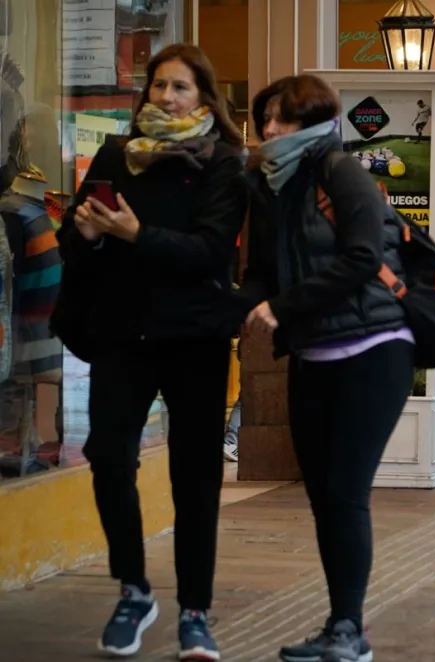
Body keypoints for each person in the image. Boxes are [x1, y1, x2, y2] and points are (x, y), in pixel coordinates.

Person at [56, 44, 248, 660]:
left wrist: (138, 235)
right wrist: (85, 232)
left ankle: (195, 610)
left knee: (196, 477)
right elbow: (74, 243)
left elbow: (213, 253)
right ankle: (134, 589)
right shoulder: (118, 154)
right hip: (124, 331)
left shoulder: (224, 162)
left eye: (181, 88)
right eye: (159, 86)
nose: (166, 97)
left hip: (195, 338)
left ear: (203, 96)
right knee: (108, 455)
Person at [239, 74, 412, 662]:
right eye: (264, 119)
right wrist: (242, 306)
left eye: (281, 119)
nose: (269, 129)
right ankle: (340, 622)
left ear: (311, 120)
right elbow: (259, 270)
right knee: (322, 496)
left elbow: (364, 257)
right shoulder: (267, 186)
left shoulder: (342, 171)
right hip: (312, 356)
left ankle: (350, 631)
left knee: (343, 491)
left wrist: (283, 308)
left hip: (373, 350)